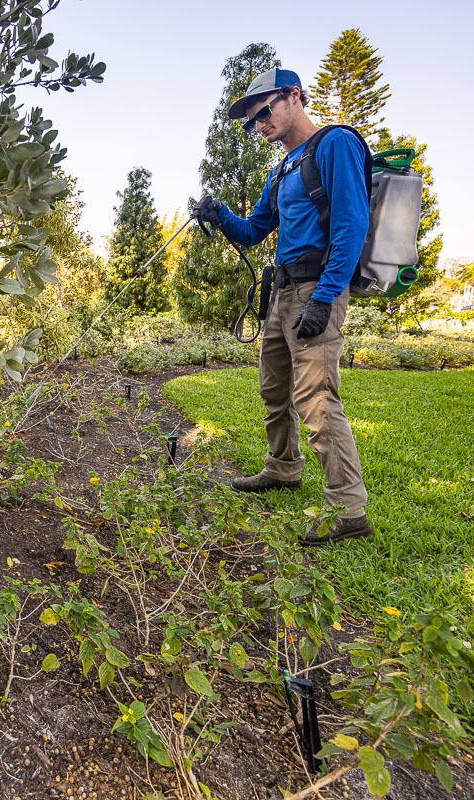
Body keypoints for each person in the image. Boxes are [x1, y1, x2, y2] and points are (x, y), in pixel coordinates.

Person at [194, 67, 371, 546]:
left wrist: (326, 296)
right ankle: (283, 468)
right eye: (252, 122)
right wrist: (220, 215)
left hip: (318, 288)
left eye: (263, 111)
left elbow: (351, 225)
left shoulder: (334, 145)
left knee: (315, 397)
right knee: (274, 388)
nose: (258, 125)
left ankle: (349, 508)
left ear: (293, 95)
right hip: (282, 291)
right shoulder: (281, 169)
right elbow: (254, 231)